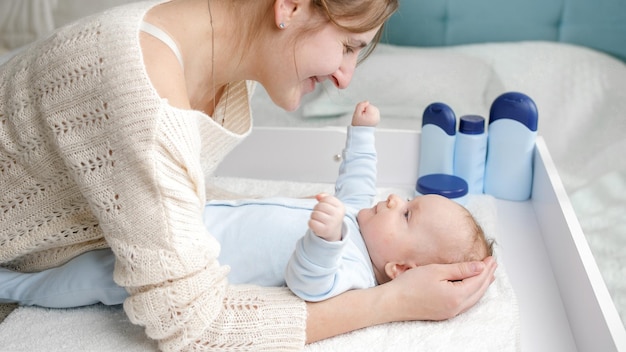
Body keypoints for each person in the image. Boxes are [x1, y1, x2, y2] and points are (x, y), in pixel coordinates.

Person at [0, 0, 497, 350]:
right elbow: (194, 328)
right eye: (349, 46)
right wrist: (391, 304)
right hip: (26, 255)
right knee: (83, 281)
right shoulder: (146, 103)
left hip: (76, 242)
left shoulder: (218, 59)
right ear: (291, 6)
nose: (347, 78)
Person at [0, 101, 494, 307]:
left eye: (407, 213)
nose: (394, 198)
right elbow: (359, 180)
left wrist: (323, 242)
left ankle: (18, 287)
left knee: (91, 279)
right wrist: (362, 134)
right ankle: (27, 235)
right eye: (407, 199)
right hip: (184, 217)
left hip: (173, 265)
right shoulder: (361, 215)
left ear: (400, 265)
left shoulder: (353, 269)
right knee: (94, 220)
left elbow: (309, 286)